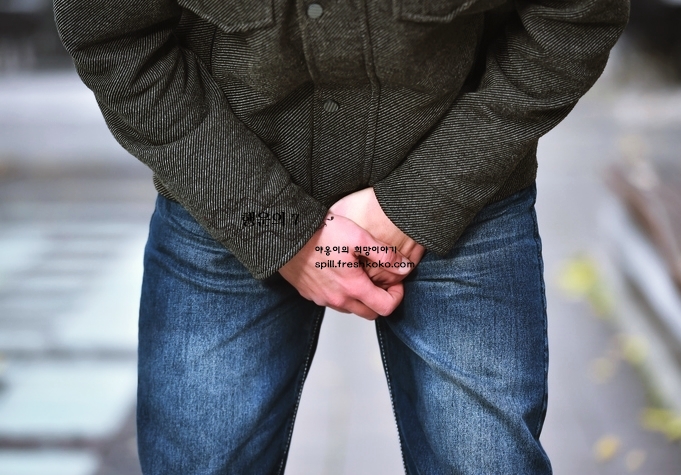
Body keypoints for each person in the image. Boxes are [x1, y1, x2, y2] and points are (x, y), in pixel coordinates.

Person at [55, 0, 629, 473]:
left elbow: (579, 16)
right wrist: (276, 226)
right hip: (222, 176)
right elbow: (112, 36)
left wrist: (425, 198)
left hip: (463, 170)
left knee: (488, 462)